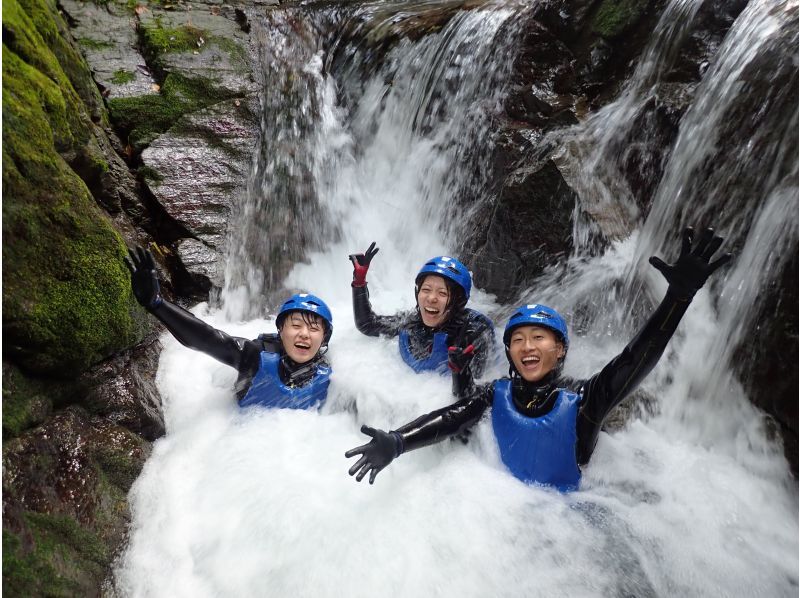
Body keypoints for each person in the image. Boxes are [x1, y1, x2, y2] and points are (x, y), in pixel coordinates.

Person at [345, 226, 732, 489]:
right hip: (501, 507)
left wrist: (677, 299)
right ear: (509, 352)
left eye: (539, 338)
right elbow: (453, 418)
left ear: (560, 349)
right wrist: (397, 442)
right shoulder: (496, 392)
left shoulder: (584, 401)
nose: (528, 346)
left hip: (569, 522)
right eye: (519, 340)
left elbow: (633, 361)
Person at [125, 246, 333, 409]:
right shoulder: (253, 357)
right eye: (296, 325)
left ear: (324, 338)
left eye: (314, 329)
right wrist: (158, 304)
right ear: (280, 331)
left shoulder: (337, 377)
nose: (304, 334)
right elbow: (207, 339)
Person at [349, 242, 496, 396]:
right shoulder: (411, 321)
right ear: (417, 293)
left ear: (458, 302)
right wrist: (359, 283)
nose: (431, 298)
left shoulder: (474, 333)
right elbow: (367, 325)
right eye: (426, 290)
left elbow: (474, 398)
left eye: (442, 293)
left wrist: (461, 372)